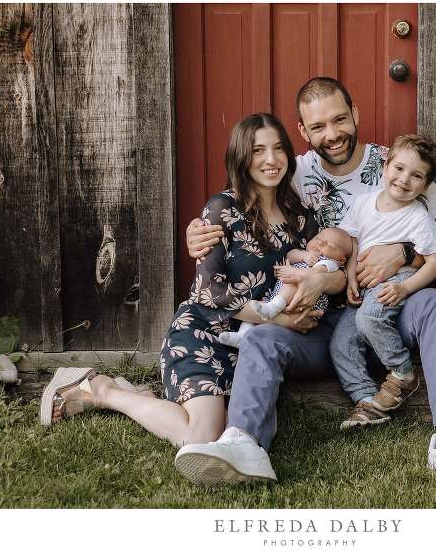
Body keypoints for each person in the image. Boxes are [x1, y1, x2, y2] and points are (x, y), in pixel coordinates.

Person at [178, 77, 436, 486]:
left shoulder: (397, 165)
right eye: (318, 127)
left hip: (387, 308)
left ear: (356, 114)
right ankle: (244, 443)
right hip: (319, 322)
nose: (332, 135)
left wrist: (404, 253)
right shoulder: (294, 171)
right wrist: (200, 232)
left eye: (339, 120)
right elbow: (239, 203)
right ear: (303, 131)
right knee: (262, 339)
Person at [39, 114, 324, 483]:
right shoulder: (223, 208)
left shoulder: (300, 216)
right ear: (241, 157)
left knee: (227, 436)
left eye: (278, 148)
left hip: (251, 347)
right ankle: (103, 390)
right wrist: (280, 319)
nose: (271, 159)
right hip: (204, 333)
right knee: (201, 438)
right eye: (258, 151)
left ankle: (127, 391)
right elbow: (211, 293)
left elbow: (316, 270)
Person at [334, 134, 436, 429]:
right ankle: (368, 400)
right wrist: (350, 279)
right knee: (341, 342)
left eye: (416, 175)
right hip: (363, 282)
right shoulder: (362, 203)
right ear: (386, 164)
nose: (404, 179)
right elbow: (354, 242)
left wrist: (404, 287)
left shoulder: (418, 217)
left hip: (395, 279)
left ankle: (403, 372)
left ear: (426, 184)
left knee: (369, 319)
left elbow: (435, 262)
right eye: (399, 168)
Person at [218, 227, 352, 348]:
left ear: (341, 259)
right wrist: (304, 255)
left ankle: (273, 307)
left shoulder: (330, 263)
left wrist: (293, 272)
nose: (321, 243)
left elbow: (312, 276)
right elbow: (290, 255)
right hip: (278, 299)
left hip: (302, 305)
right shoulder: (306, 254)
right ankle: (242, 336)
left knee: (296, 281)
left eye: (330, 245)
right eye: (318, 238)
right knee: (256, 314)